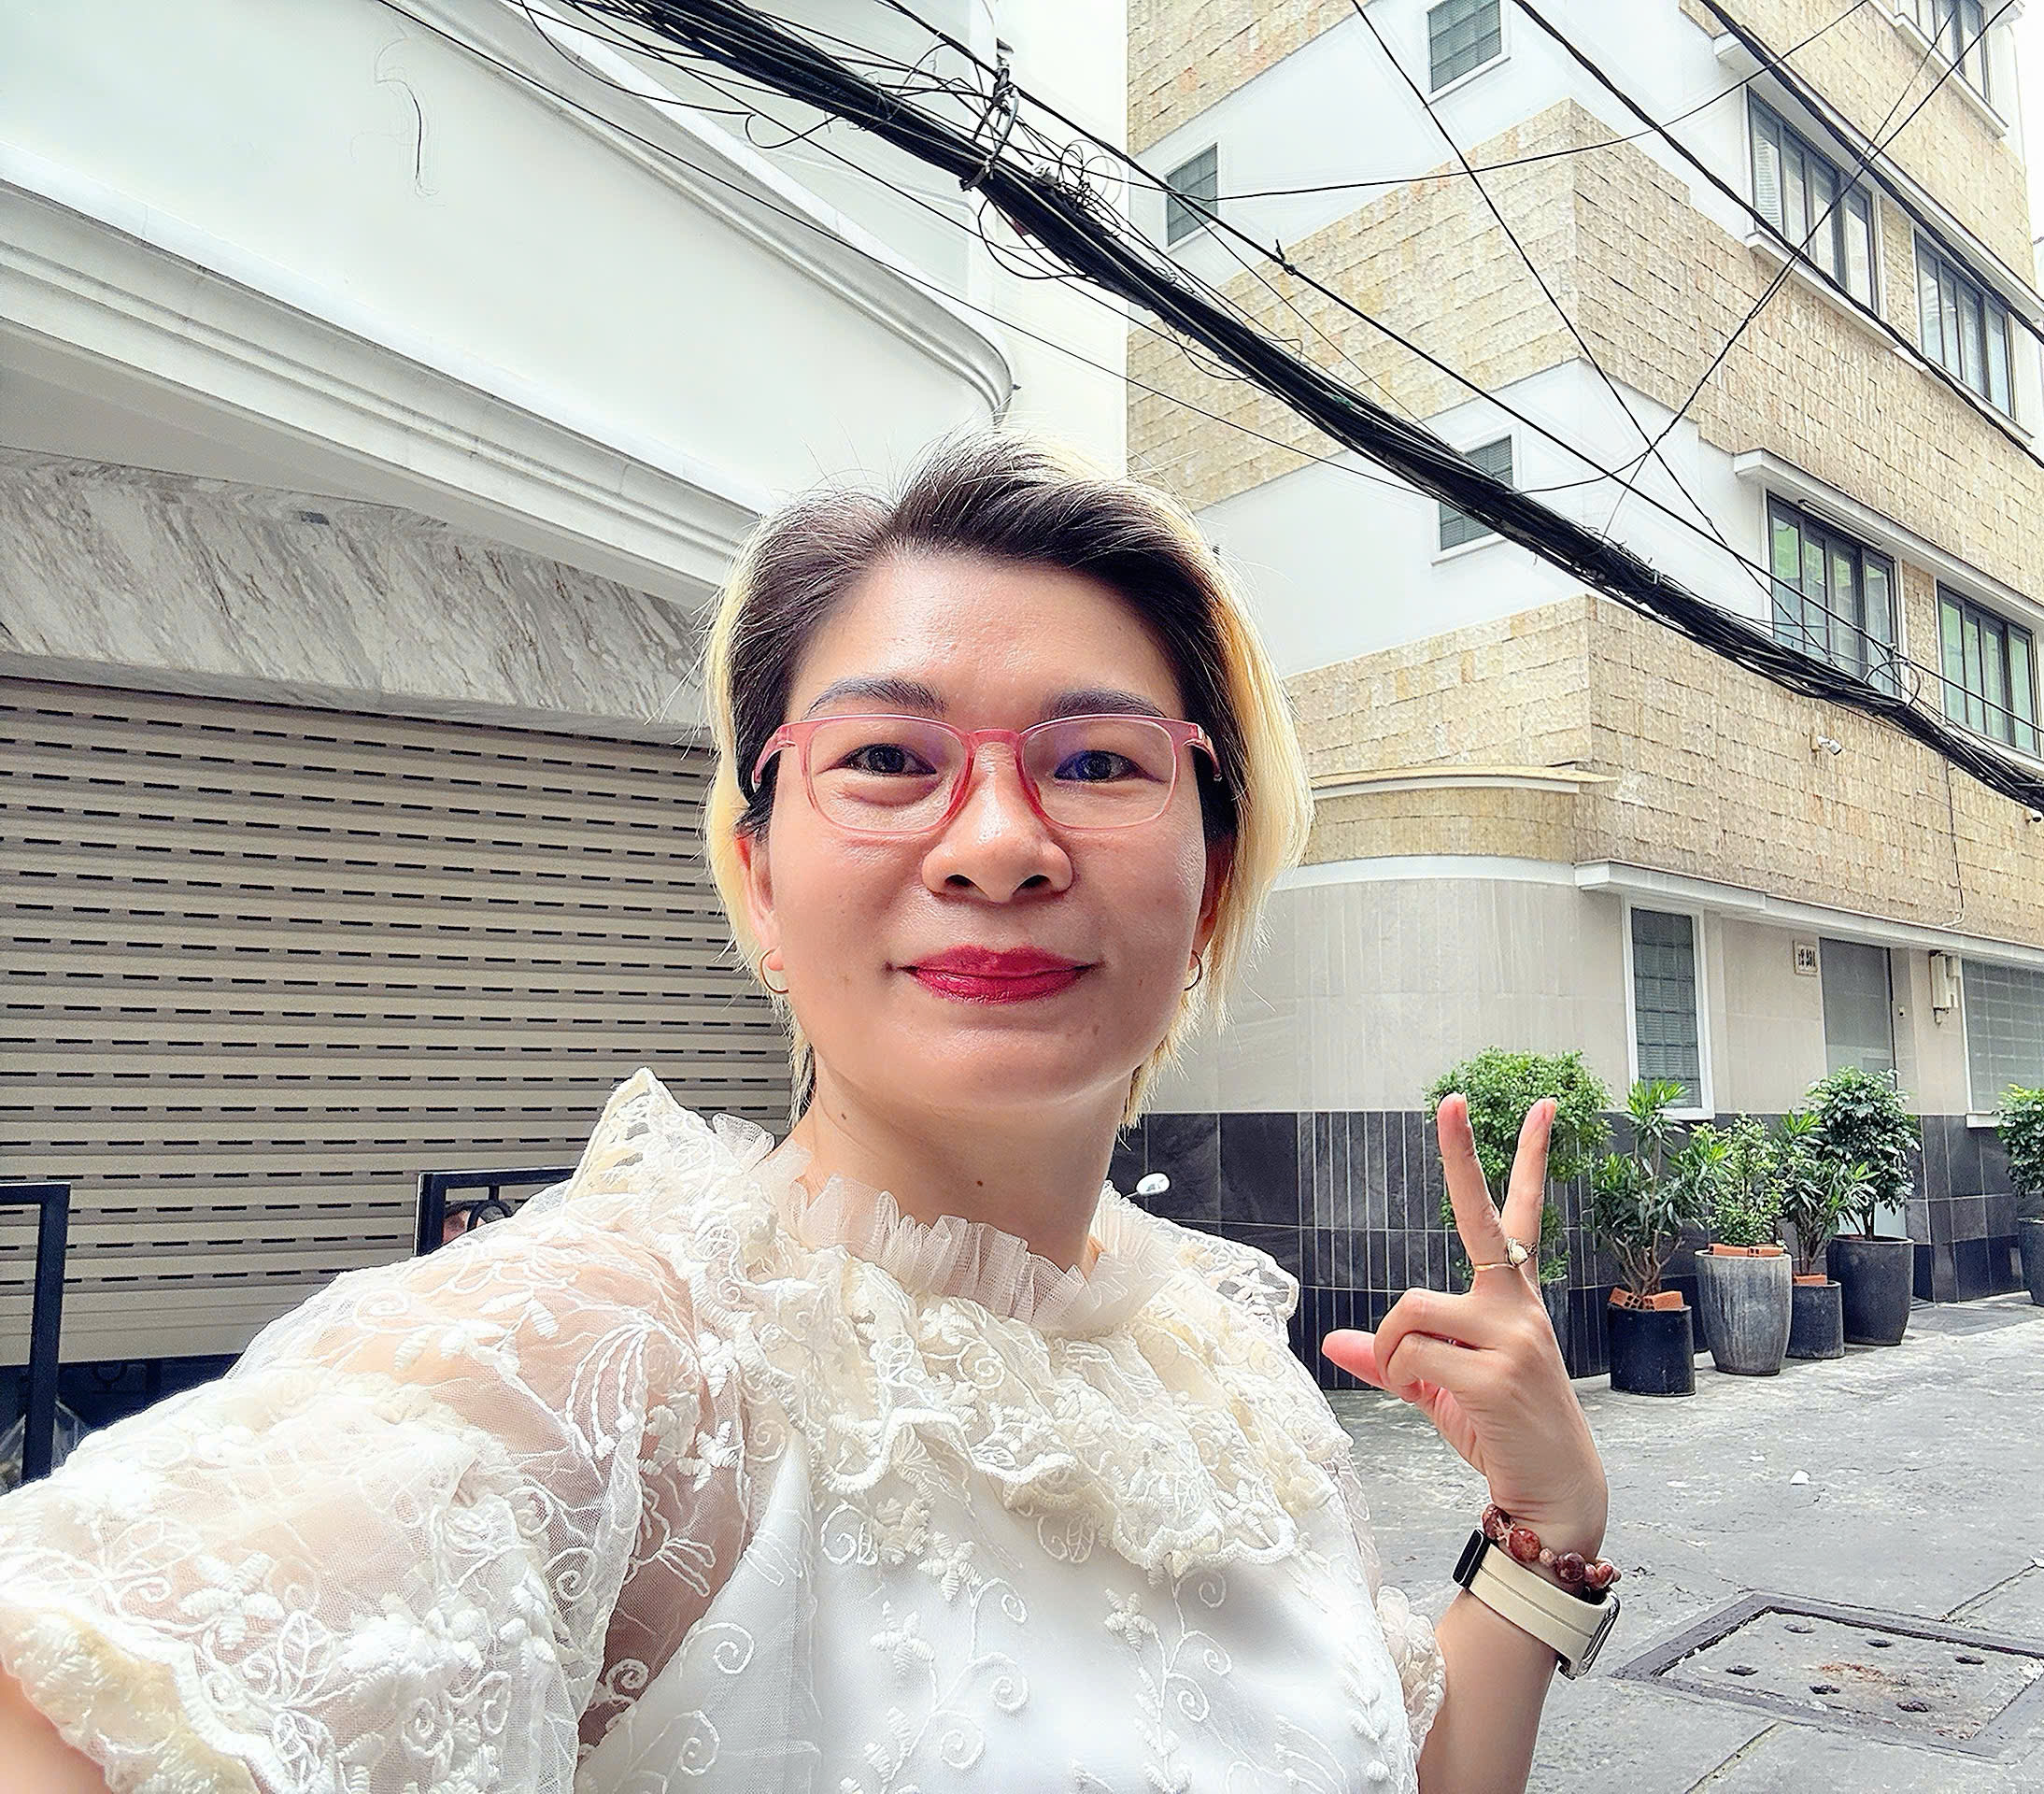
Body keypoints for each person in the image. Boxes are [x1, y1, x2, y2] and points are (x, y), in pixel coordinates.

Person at [0, 434, 1612, 1792]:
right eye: (890, 756)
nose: (999, 842)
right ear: (760, 878)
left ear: (1210, 885)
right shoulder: (622, 1357)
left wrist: (1541, 1529)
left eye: (1101, 764)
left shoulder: (1222, 1364)